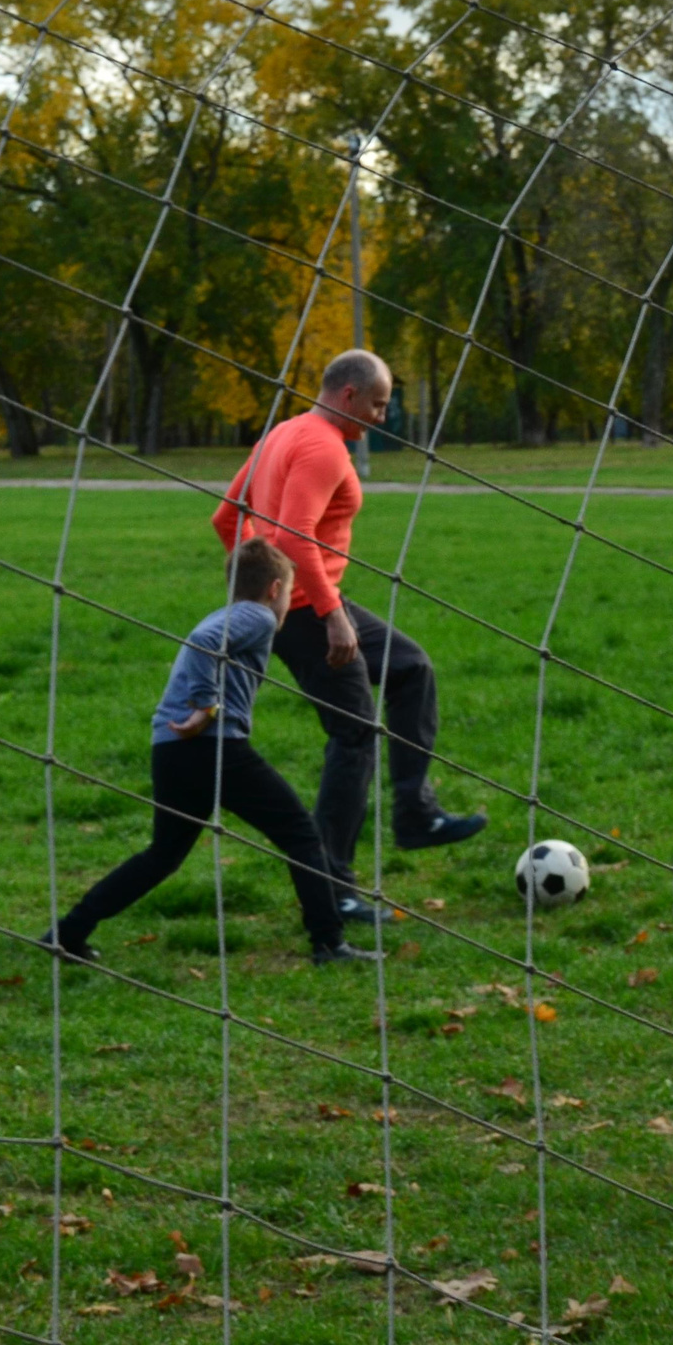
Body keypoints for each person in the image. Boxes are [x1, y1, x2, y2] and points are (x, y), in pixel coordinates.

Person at [212, 350, 485, 921]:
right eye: (378, 405)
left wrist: (261, 592)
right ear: (349, 395)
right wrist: (321, 611)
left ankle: (415, 814)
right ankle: (332, 888)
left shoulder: (281, 433)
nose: (382, 418)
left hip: (307, 601)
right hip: (309, 613)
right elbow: (294, 535)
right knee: (354, 736)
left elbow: (227, 518)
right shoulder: (323, 446)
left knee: (411, 669)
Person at [45, 539, 380, 967]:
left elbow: (206, 639)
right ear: (275, 589)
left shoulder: (227, 613)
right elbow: (204, 643)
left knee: (163, 855)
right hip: (213, 746)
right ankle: (330, 945)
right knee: (302, 836)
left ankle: (68, 932)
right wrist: (207, 707)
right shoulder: (258, 616)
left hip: (173, 749)